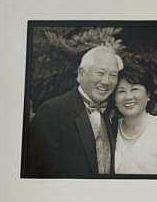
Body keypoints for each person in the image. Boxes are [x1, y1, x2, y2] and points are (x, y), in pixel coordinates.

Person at [25, 45, 122, 177]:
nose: (106, 81)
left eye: (113, 75)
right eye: (100, 73)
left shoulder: (112, 112)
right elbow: (38, 173)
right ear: (81, 73)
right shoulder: (52, 112)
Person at [113, 64, 157, 175]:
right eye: (121, 91)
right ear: (115, 100)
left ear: (148, 94)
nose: (128, 97)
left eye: (134, 89)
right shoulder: (110, 129)